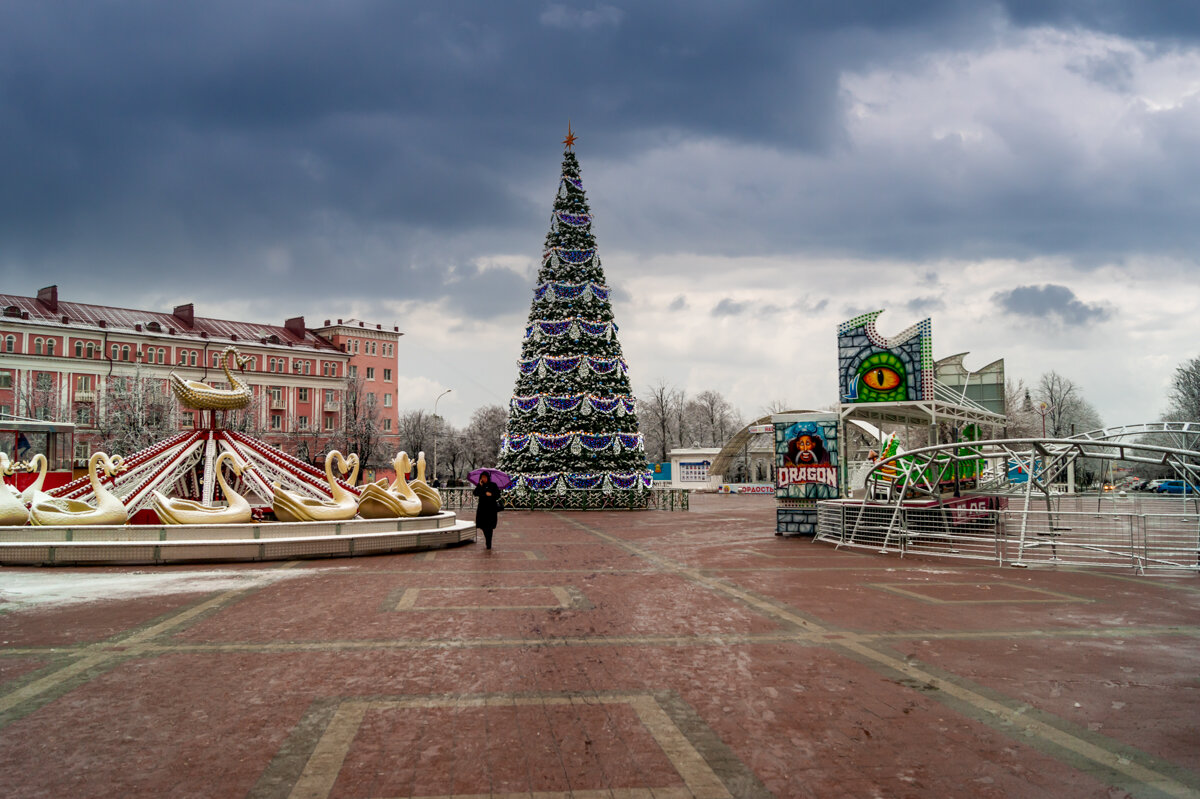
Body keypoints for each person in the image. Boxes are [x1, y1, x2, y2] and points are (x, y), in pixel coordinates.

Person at [472, 472, 501, 550]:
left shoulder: (493, 485)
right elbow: (475, 493)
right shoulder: (480, 485)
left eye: (485, 477)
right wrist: (480, 487)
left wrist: (491, 494)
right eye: (482, 477)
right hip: (482, 510)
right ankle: (487, 540)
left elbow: (498, 495)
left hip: (491, 509)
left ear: (488, 477)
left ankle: (489, 542)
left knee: (490, 527)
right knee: (483, 526)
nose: (484, 479)